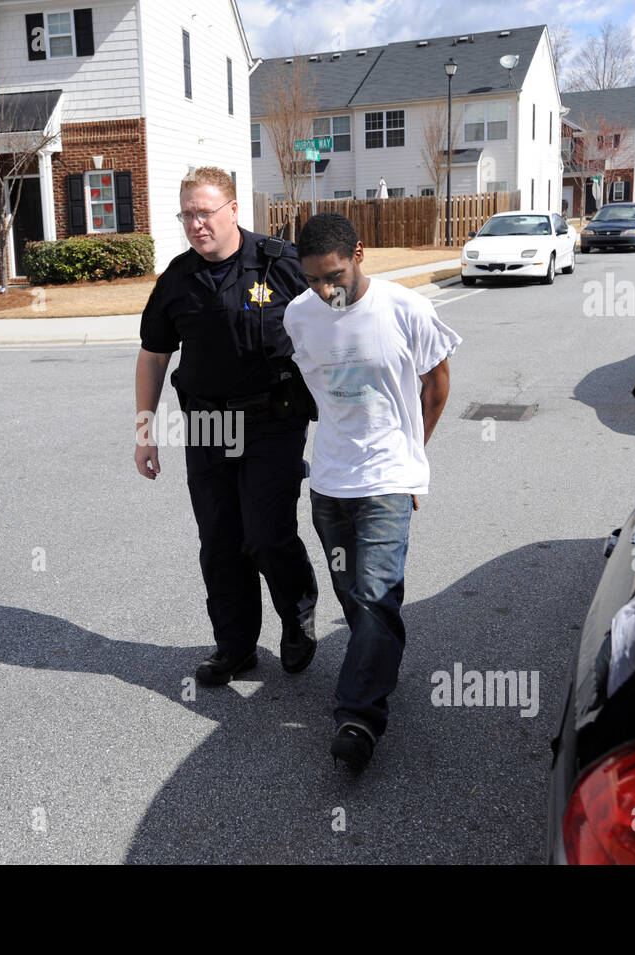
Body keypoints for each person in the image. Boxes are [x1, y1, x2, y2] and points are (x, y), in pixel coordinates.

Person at [282, 212, 460, 771]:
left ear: (360, 254)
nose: (324, 289)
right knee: (354, 596)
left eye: (333, 275)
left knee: (376, 591)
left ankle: (358, 716)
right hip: (330, 482)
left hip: (387, 477)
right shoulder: (298, 315)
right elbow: (318, 388)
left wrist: (413, 456)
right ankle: (379, 665)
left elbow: (438, 384)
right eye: (312, 279)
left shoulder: (406, 308)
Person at [134, 167, 319, 685]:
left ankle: (297, 614)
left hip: (273, 419)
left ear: (234, 210)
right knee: (219, 540)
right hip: (209, 424)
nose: (196, 224)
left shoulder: (279, 265)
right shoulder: (176, 278)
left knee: (265, 533)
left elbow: (333, 326)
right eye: (187, 214)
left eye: (205, 212)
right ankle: (235, 646)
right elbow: (153, 356)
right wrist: (145, 429)